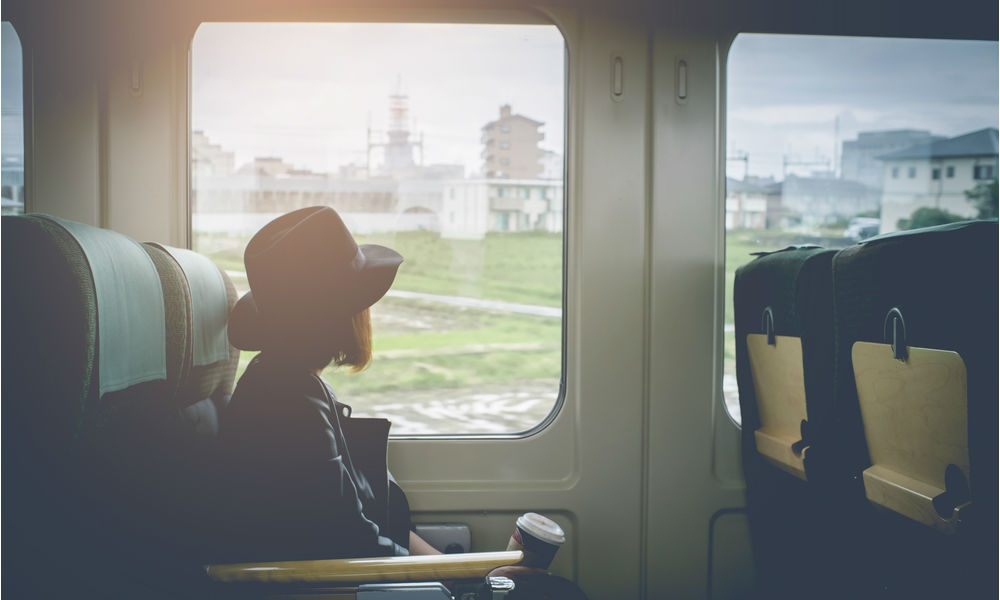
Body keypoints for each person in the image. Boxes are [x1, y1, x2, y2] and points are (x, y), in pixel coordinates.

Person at [219, 206, 440, 560]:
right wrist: (459, 576)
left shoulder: (285, 381)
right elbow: (354, 544)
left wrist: (457, 568)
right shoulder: (288, 399)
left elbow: (355, 523)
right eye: (362, 299)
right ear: (339, 317)